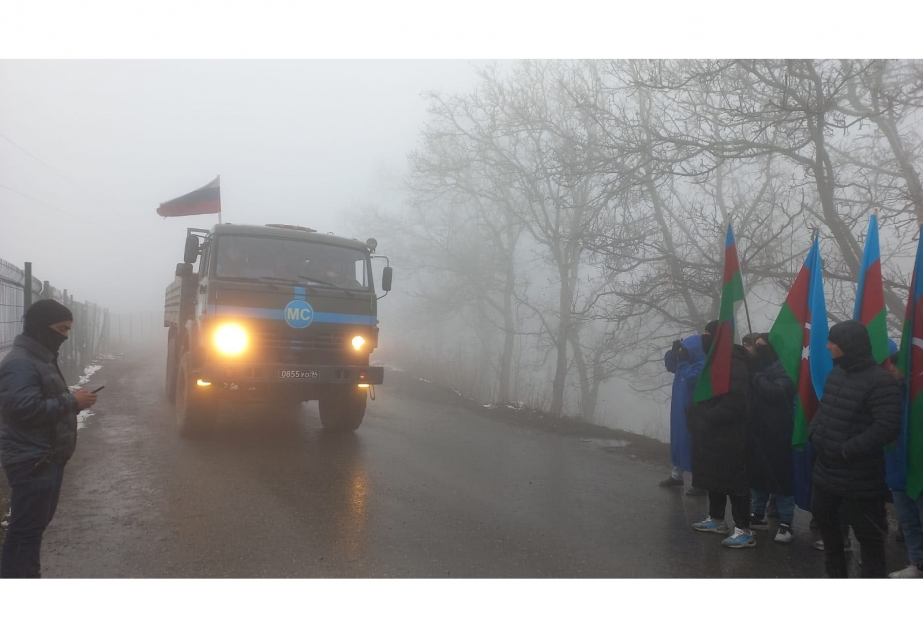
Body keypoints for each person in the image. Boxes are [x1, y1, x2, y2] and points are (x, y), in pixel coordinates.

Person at [0, 300, 97, 578]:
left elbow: (38, 400)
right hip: (34, 462)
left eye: (68, 329)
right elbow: (24, 410)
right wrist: (71, 402)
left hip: (45, 458)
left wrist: (71, 400)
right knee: (24, 535)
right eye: (61, 328)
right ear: (40, 328)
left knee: (32, 531)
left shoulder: (39, 358)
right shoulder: (20, 363)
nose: (65, 336)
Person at [808, 320, 902, 578]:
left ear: (848, 345)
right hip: (825, 475)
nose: (827, 346)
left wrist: (847, 450)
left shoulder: (880, 381)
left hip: (859, 480)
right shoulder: (836, 373)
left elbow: (887, 426)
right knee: (831, 543)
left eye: (833, 342)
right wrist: (814, 433)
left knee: (870, 543)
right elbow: (824, 407)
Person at [687, 331, 755, 548]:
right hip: (713, 433)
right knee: (713, 476)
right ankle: (716, 519)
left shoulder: (734, 363)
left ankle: (744, 529)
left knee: (734, 481)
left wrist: (705, 416)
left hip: (731, 434)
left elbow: (735, 403)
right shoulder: (715, 362)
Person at [747, 334, 797, 543]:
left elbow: (776, 392)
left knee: (781, 478)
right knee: (757, 475)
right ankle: (757, 514)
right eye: (756, 346)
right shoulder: (760, 367)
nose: (758, 349)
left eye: (762, 346)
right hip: (758, 430)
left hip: (780, 431)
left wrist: (756, 375)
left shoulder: (785, 368)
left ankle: (786, 523)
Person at [885, 347, 923, 578]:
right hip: (897, 466)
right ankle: (916, 562)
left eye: (894, 365)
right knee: (907, 521)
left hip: (918, 469)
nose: (890, 369)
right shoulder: (890, 392)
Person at [659, 330, 707, 491]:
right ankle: (677, 475)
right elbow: (671, 366)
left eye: (686, 349)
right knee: (679, 441)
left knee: (693, 444)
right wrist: (672, 353)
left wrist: (685, 361)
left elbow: (692, 378)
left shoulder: (702, 364)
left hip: (693, 409)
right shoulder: (684, 362)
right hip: (679, 409)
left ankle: (700, 482)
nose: (683, 352)